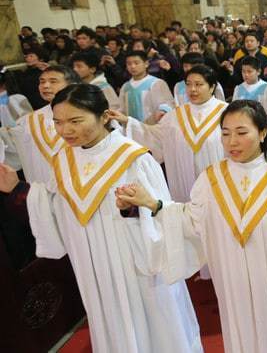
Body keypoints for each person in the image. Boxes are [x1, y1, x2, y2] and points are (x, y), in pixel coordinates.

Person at [114, 100, 267, 353]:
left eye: (242, 132)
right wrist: (152, 203)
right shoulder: (211, 179)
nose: (232, 141)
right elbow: (191, 221)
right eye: (225, 133)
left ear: (263, 133)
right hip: (235, 285)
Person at [0, 84, 201, 352]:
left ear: (104, 116)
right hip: (91, 262)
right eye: (58, 122)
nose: (65, 130)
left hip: (134, 260)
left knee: (154, 321)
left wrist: (133, 208)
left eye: (75, 121)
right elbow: (56, 207)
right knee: (109, 318)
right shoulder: (63, 160)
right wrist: (20, 189)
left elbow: (160, 212)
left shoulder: (133, 158)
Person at [111, 65, 226, 203]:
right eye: (188, 84)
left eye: (199, 84)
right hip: (185, 182)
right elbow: (154, 135)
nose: (192, 89)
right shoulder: (176, 115)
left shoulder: (227, 112)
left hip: (219, 176)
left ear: (212, 87)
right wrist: (127, 121)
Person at [10, 65, 80, 184]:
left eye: (53, 81)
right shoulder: (28, 121)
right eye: (42, 82)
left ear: (71, 85)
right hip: (46, 189)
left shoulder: (89, 112)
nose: (45, 86)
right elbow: (13, 150)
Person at [120, 50, 175, 124]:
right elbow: (122, 109)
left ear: (146, 64)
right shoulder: (125, 87)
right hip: (131, 130)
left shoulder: (156, 83)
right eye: (129, 64)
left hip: (153, 128)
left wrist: (163, 110)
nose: (132, 66)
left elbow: (168, 103)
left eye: (136, 63)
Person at [232, 56, 267, 136]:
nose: (246, 75)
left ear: (258, 71)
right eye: (243, 71)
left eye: (249, 71)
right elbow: (234, 111)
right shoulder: (238, 89)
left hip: (263, 130)